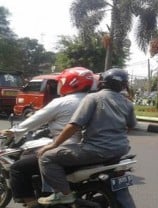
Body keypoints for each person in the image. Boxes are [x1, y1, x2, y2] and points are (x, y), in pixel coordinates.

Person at [37, 68, 137, 205]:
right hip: (121, 150)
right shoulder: (127, 103)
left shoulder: (93, 98)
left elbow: (74, 125)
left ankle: (63, 194)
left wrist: (53, 145)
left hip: (96, 150)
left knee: (47, 157)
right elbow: (130, 126)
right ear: (124, 85)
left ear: (102, 83)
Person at [1, 67, 94, 208]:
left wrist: (13, 131)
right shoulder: (94, 100)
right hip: (90, 149)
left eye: (62, 81)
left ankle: (33, 204)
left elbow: (37, 118)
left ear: (72, 82)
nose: (60, 85)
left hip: (67, 148)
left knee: (18, 168)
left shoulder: (63, 101)